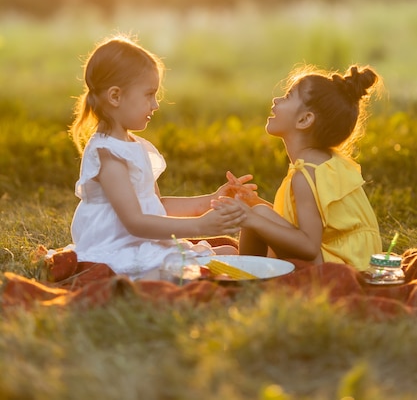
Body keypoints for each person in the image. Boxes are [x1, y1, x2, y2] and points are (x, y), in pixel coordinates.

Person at [69, 35, 254, 280]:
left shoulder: (134, 145)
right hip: (118, 248)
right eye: (149, 95)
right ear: (115, 96)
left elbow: (157, 205)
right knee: (197, 272)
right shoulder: (108, 155)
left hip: (142, 242)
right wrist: (201, 227)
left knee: (229, 250)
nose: (155, 105)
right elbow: (135, 222)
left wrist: (210, 200)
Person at [213, 64, 382, 271]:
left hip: (342, 268)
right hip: (354, 261)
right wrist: (253, 203)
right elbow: (304, 223)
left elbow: (309, 247)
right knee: (259, 211)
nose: (276, 100)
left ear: (304, 119)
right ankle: (246, 268)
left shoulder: (306, 173)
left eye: (287, 96)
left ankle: (246, 272)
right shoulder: (322, 162)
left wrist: (251, 218)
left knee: (259, 215)